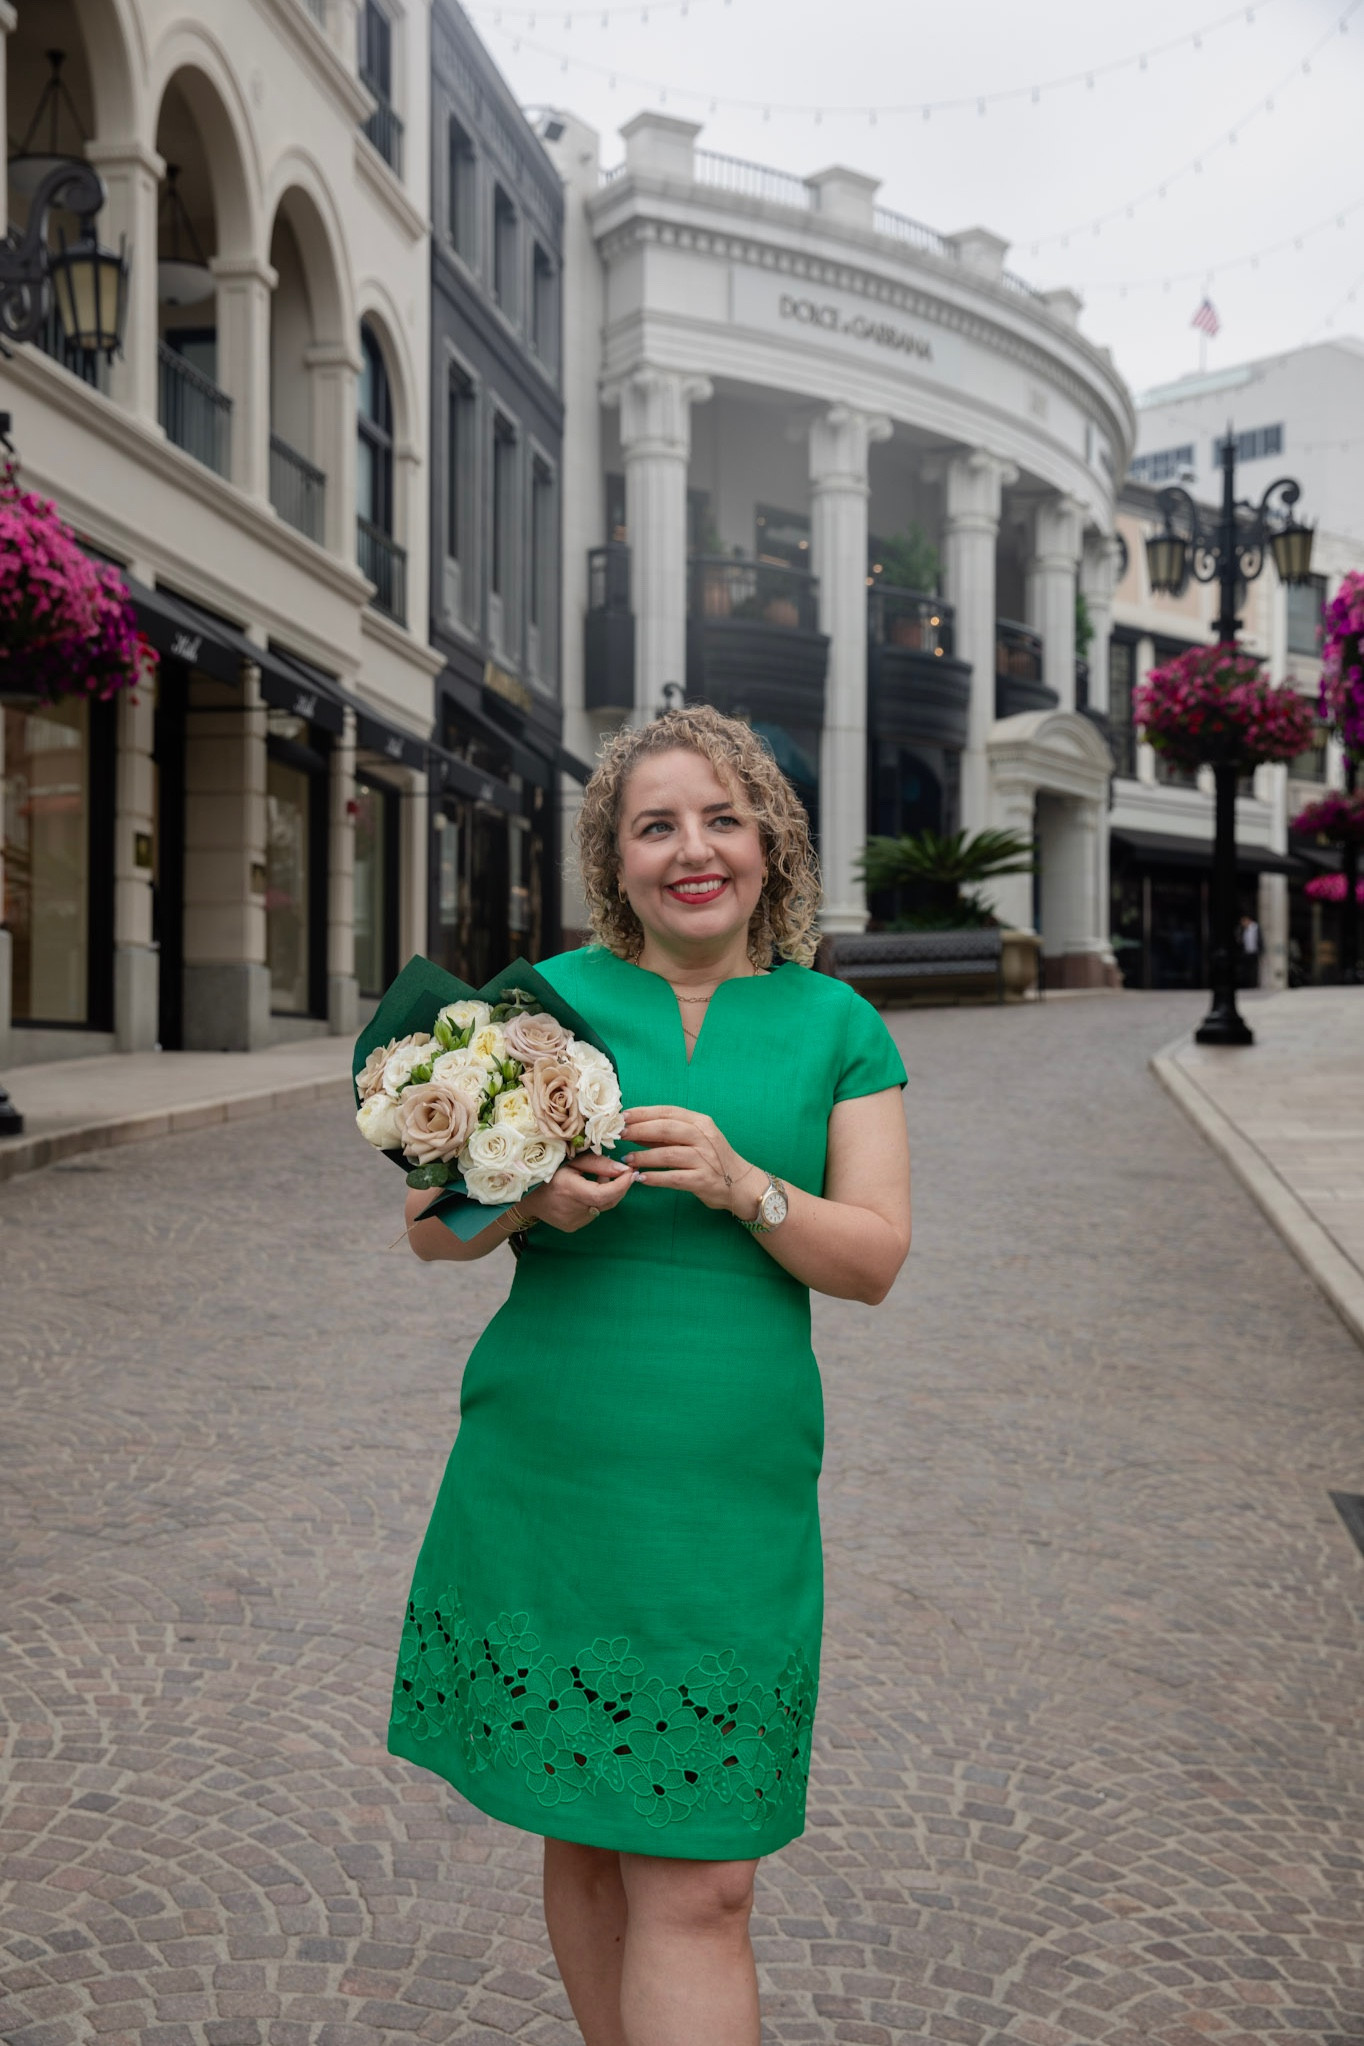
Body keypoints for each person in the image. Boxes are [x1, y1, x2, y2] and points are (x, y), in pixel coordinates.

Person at [390, 704, 912, 2046]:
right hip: (549, 1471)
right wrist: (527, 1203)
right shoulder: (541, 1007)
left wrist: (751, 1188)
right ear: (613, 861)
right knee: (589, 1830)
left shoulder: (838, 1022)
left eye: (722, 819)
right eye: (656, 825)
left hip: (732, 1497)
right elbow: (428, 1226)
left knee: (706, 1880)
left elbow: (874, 1260)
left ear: (769, 843)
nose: (694, 849)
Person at [1239, 911, 1261, 988]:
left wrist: (1261, 951)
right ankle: (1247, 985)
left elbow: (1260, 940)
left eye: (1243, 922)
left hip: (1254, 952)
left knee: (1254, 970)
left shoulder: (1256, 928)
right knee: (1246, 970)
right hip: (1246, 952)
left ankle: (1254, 984)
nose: (1242, 924)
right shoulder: (1243, 929)